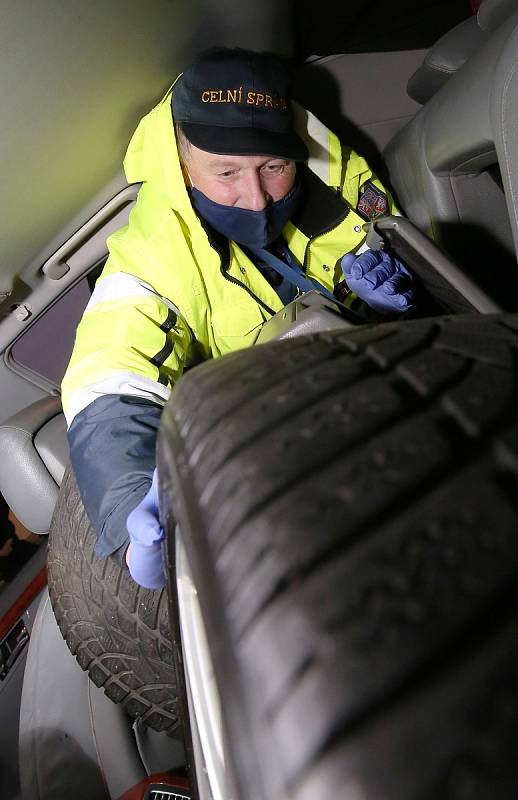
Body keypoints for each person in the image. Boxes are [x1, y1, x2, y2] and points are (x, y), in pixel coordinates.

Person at [61, 47, 415, 590]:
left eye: (274, 166)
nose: (255, 198)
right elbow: (109, 373)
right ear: (183, 165)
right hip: (289, 453)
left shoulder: (336, 187)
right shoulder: (154, 254)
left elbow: (405, 254)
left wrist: (390, 302)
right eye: (225, 171)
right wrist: (133, 498)